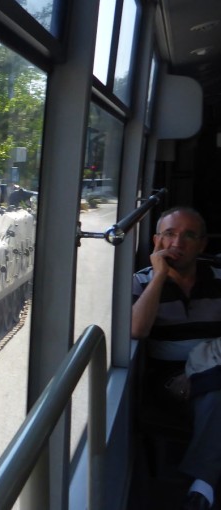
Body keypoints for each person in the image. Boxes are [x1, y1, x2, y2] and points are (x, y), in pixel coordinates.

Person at [131, 207, 221, 510]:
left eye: (188, 235)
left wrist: (197, 373)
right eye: (169, 234)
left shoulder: (218, 278)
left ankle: (203, 484)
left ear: (202, 244)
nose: (177, 243)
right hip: (168, 376)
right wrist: (159, 277)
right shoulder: (142, 282)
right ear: (157, 240)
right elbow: (137, 329)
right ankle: (205, 482)